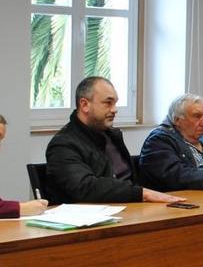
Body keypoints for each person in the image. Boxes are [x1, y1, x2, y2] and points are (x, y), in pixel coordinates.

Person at [45, 76, 182, 204]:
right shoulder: (63, 145)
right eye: (108, 103)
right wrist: (141, 193)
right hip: (91, 218)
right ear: (84, 105)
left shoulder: (112, 136)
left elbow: (131, 179)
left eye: (115, 103)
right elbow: (85, 187)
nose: (115, 109)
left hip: (130, 208)